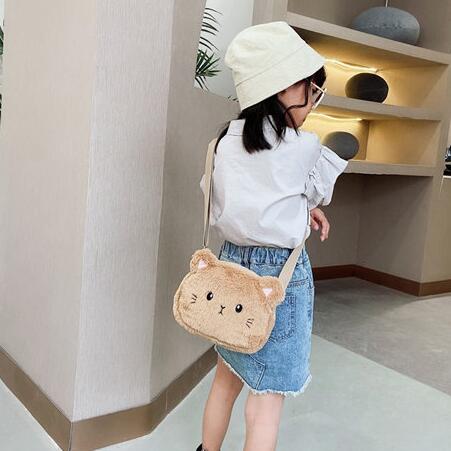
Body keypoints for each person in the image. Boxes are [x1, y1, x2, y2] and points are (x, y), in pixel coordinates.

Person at [195, 21, 349, 451]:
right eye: (312, 91)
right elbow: (312, 190)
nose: (313, 102)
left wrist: (293, 207)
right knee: (266, 400)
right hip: (279, 277)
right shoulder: (304, 147)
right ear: (284, 87)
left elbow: (218, 196)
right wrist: (306, 207)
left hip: (231, 265)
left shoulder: (223, 141)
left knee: (226, 378)